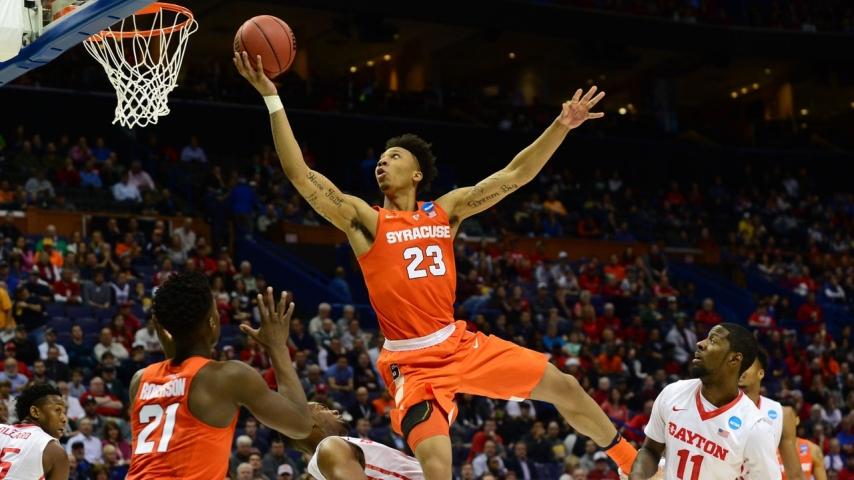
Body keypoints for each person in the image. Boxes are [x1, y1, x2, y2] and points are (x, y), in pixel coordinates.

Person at [235, 52, 636, 478]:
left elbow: (514, 175)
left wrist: (562, 125)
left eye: (394, 157)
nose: (382, 162)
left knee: (566, 387)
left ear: (417, 174)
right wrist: (272, 98)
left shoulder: (447, 212)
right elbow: (300, 175)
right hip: (412, 363)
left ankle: (635, 465)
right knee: (438, 468)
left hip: (458, 344)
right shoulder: (367, 221)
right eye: (381, 158)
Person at [126, 272, 312, 479]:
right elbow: (301, 425)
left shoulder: (140, 380)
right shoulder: (228, 377)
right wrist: (277, 346)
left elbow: (181, 382)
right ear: (212, 322)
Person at [629, 323, 781, 479]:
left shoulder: (755, 427)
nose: (700, 343)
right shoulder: (672, 393)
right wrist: (637, 476)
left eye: (713, 340)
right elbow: (650, 450)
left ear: (734, 359)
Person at [284, 401, 423, 480]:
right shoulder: (330, 446)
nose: (334, 411)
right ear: (308, 423)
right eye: (322, 408)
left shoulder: (334, 451)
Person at [739, 350, 806, 480]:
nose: (739, 372)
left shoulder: (782, 414)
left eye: (746, 366)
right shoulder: (716, 405)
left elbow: (795, 475)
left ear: (760, 373)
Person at [0, 383, 69, 479]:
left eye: (64, 412)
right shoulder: (54, 451)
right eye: (58, 410)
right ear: (35, 412)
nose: (64, 419)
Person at [779, 402, 827, 480]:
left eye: (788, 418)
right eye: (780, 418)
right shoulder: (768, 449)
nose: (784, 422)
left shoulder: (812, 449)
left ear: (797, 420)